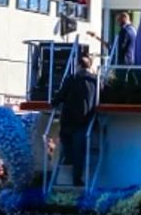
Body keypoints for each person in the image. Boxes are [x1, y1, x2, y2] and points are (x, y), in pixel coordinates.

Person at [51, 55, 98, 186]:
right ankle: (76, 178)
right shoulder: (96, 81)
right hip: (85, 120)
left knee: (67, 144)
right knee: (80, 151)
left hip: (69, 120)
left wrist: (54, 102)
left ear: (78, 65)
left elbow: (60, 96)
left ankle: (67, 161)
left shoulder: (72, 79)